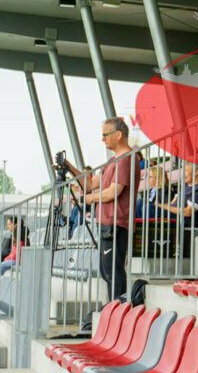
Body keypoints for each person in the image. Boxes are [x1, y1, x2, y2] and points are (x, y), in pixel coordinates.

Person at [65, 117, 141, 301]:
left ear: (118, 134)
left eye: (105, 135)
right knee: (107, 271)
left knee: (113, 271)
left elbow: (112, 193)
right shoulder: (112, 161)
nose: (103, 139)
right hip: (106, 224)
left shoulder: (126, 159)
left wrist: (87, 199)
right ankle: (115, 308)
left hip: (116, 224)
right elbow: (90, 183)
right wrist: (69, 167)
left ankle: (118, 309)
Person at [138, 162, 198, 226]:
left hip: (181, 219)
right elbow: (171, 203)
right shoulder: (186, 185)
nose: (183, 174)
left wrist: (161, 206)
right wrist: (158, 205)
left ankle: (147, 235)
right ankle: (135, 232)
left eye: (186, 171)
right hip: (172, 214)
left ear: (196, 172)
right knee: (140, 202)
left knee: (148, 208)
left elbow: (188, 212)